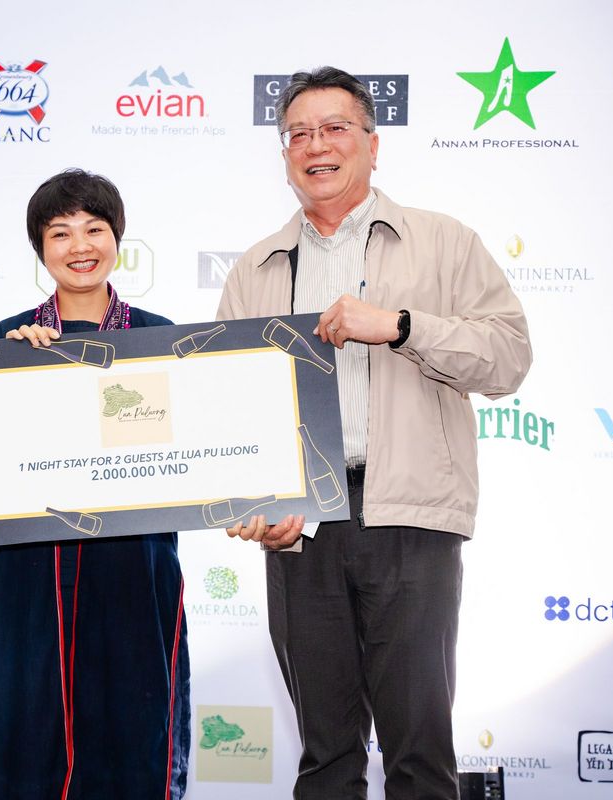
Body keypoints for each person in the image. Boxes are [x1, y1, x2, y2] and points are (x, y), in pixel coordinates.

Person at [217, 68, 531, 800]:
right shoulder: (255, 267)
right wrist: (261, 501)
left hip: (410, 518)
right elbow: (230, 410)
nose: (316, 145)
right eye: (299, 134)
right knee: (325, 758)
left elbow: (508, 358)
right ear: (284, 154)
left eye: (335, 128)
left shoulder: (445, 242)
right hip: (302, 527)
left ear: (373, 144)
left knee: (419, 754)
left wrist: (400, 326)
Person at [0, 169, 190, 800]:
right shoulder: (8, 338)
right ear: (40, 248)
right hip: (29, 564)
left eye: (94, 229)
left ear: (117, 237)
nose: (80, 246)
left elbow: (185, 455)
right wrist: (15, 367)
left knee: (133, 716)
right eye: (60, 233)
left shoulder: (158, 335)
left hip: (133, 559)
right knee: (24, 714)